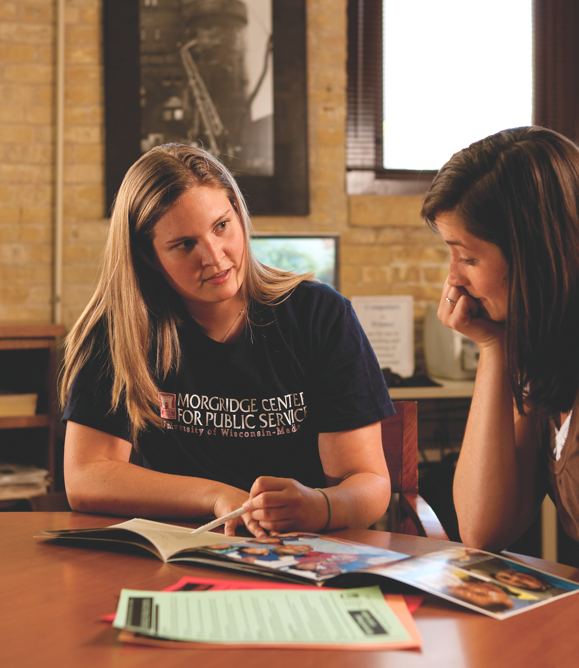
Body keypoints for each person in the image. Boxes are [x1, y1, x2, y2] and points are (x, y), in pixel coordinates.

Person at [60, 143, 393, 536]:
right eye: (185, 244)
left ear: (239, 213)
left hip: (293, 552)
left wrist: (319, 506)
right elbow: (85, 478)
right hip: (167, 555)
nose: (215, 257)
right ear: (149, 256)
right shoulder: (117, 329)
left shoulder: (320, 314)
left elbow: (369, 483)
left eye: (221, 226)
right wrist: (217, 496)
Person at [421, 126, 579, 551]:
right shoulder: (546, 358)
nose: (454, 278)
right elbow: (483, 530)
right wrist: (494, 347)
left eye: (468, 257)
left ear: (534, 256)